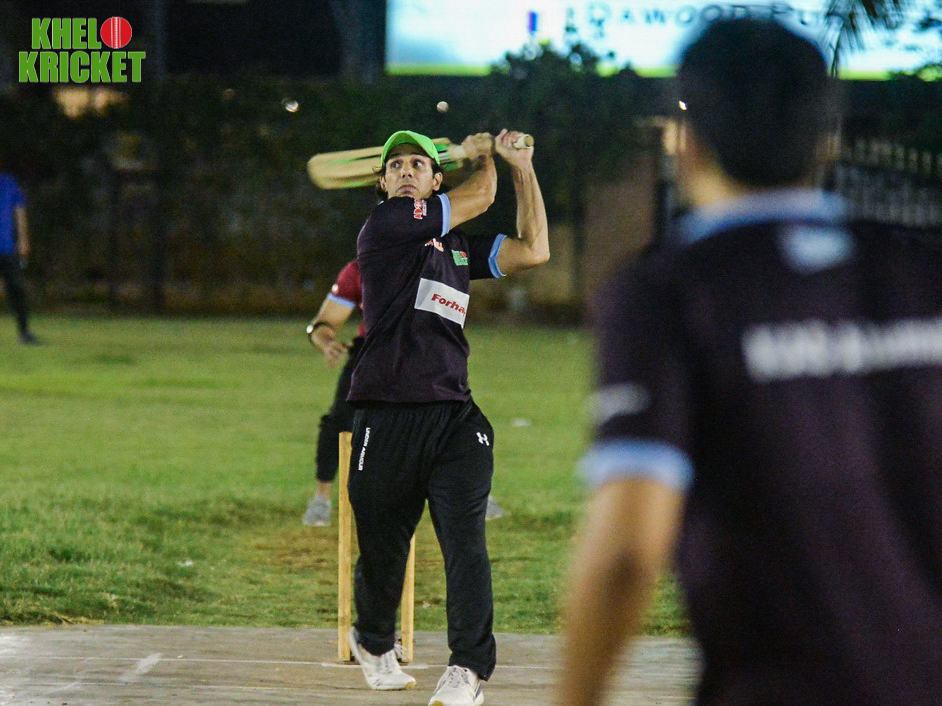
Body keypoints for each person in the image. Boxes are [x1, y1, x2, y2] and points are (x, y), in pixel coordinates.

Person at [559, 18, 942, 706]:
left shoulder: (668, 292)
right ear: (827, 139)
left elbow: (626, 553)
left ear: (686, 143)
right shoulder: (921, 273)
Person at [344, 128, 548, 706]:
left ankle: (468, 670)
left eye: (419, 164)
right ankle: (374, 640)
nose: (406, 171)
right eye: (396, 165)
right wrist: (484, 158)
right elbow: (480, 195)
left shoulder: (456, 246)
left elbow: (534, 249)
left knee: (465, 542)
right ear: (384, 184)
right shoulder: (386, 226)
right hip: (386, 412)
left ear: (436, 180)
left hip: (456, 416)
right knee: (383, 547)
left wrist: (522, 167)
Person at [301, 258, 507, 526]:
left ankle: (474, 495)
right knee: (340, 421)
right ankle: (321, 499)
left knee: (452, 421)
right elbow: (324, 323)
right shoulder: (361, 268)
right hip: (372, 352)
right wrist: (327, 343)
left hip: (426, 351)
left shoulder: (436, 261)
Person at [0, 156, 38, 344]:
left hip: (6, 247)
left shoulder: (9, 183)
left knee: (17, 290)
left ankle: (24, 333)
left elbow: (20, 212)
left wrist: (23, 240)